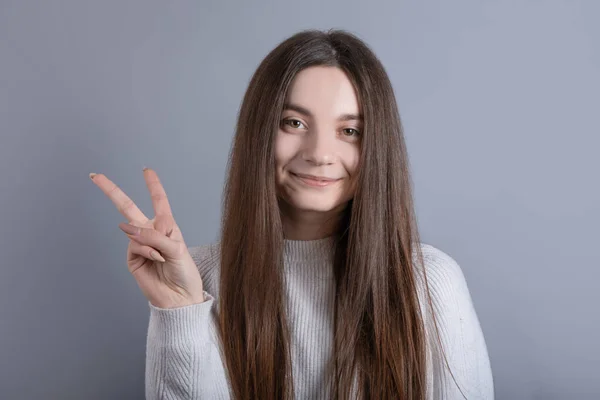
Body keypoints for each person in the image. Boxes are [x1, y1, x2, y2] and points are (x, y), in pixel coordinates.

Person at [89, 29, 494, 399]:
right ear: (259, 132)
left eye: (349, 131)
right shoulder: (198, 279)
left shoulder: (429, 283)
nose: (319, 153)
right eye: (294, 122)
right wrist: (179, 309)